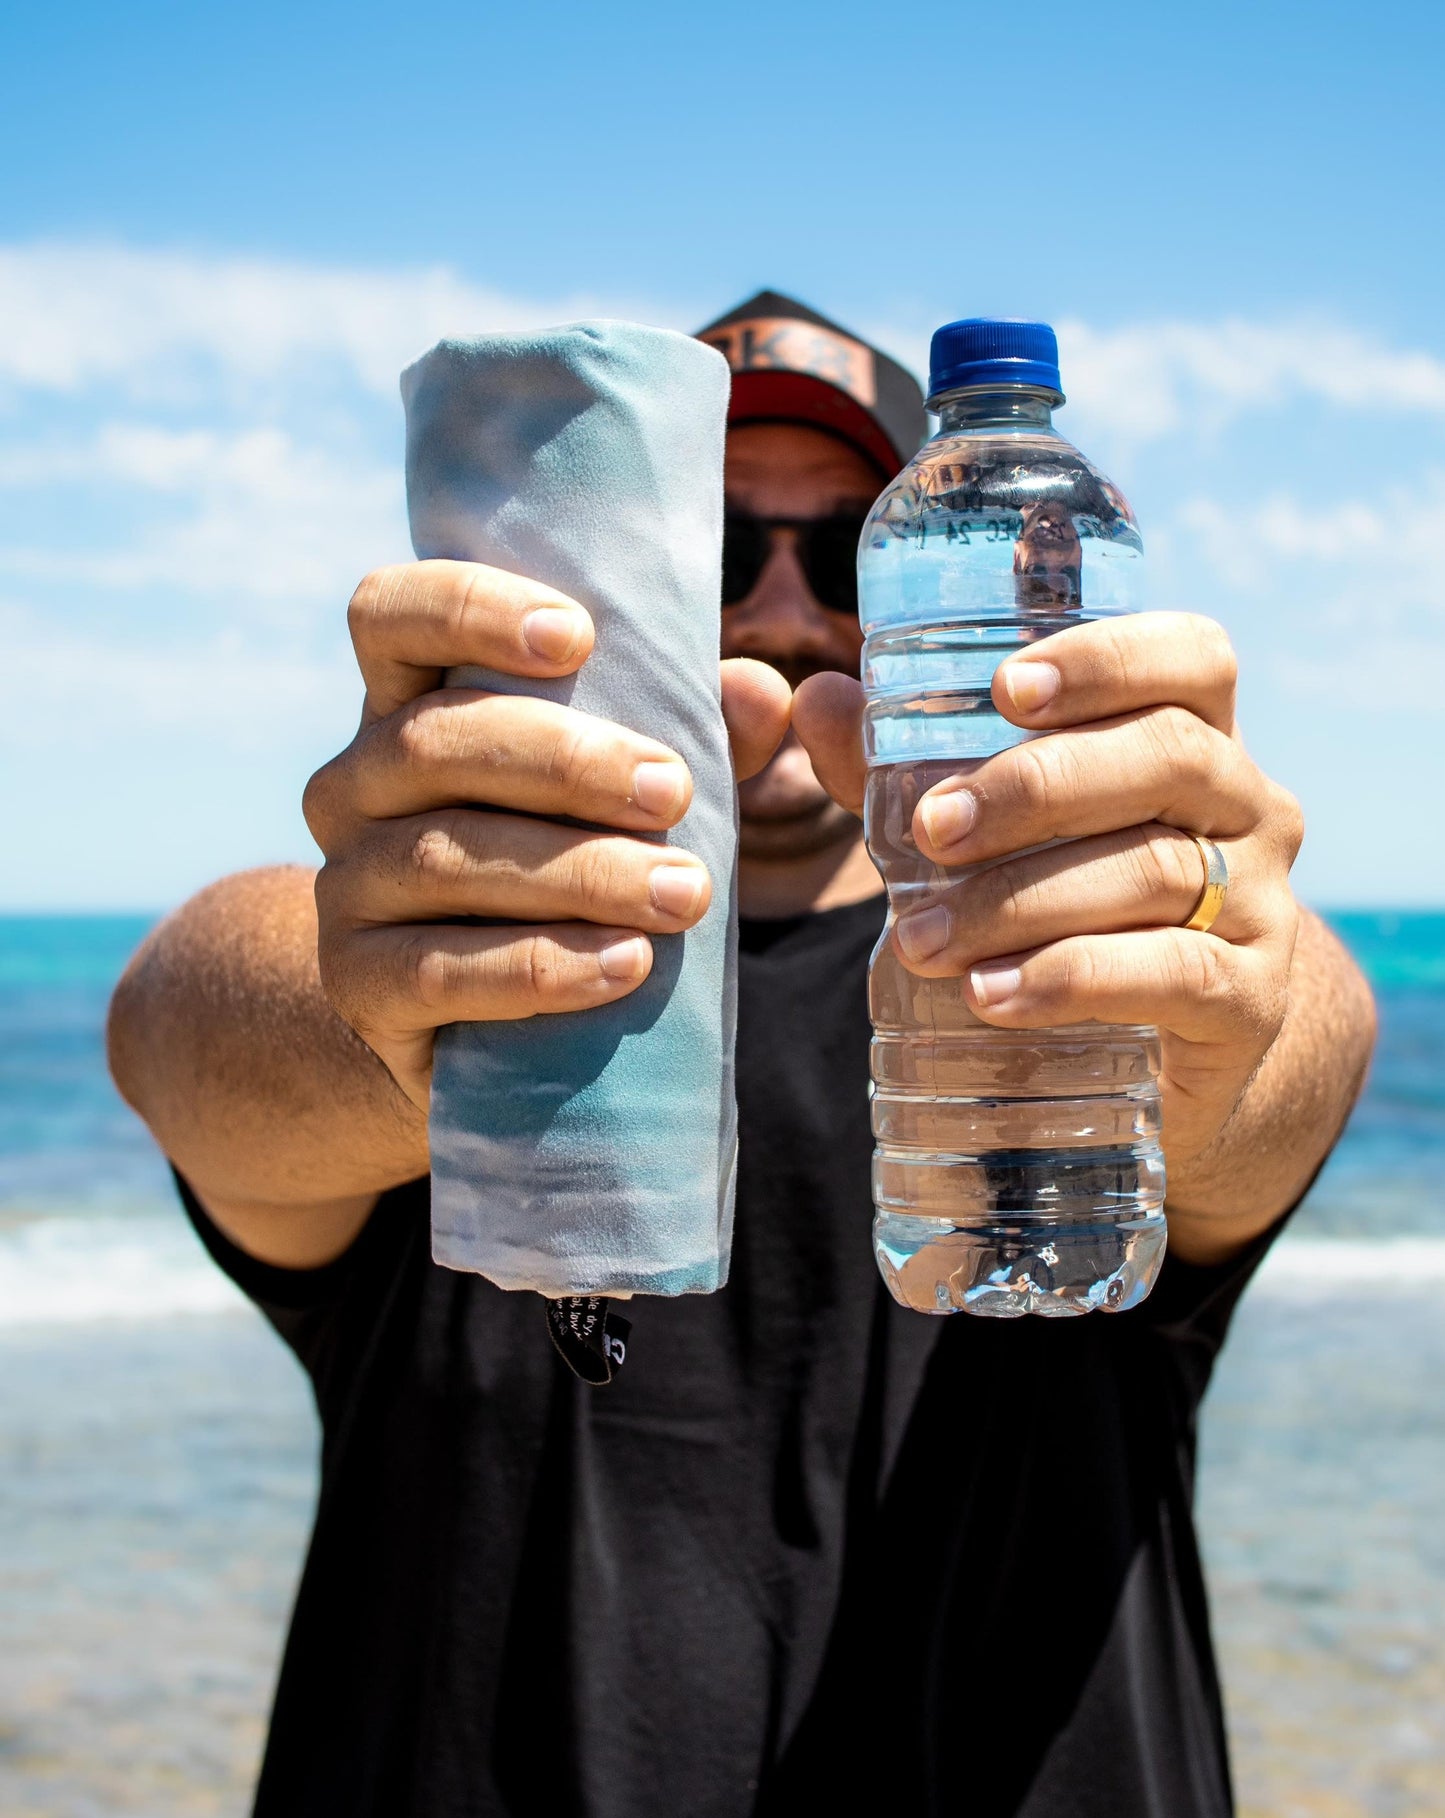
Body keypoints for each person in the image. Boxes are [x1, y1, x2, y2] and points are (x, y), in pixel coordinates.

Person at [108, 290, 1376, 1818]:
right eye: (708, 551)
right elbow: (180, 1027)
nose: (778, 615)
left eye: (845, 554)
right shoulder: (465, 985)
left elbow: (1291, 1052)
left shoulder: (1061, 978)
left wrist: (1226, 971)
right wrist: (400, 1016)